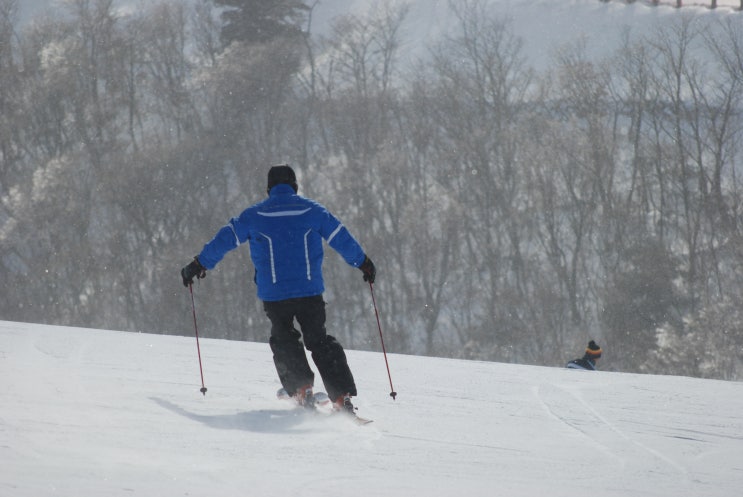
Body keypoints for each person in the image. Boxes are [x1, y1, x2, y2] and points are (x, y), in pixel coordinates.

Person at [181, 164, 376, 415]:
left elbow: (224, 240)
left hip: (275, 294)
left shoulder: (255, 215)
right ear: (294, 186)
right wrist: (363, 263)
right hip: (309, 291)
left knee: (284, 338)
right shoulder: (312, 210)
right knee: (319, 341)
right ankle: (341, 396)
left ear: (269, 188)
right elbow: (340, 237)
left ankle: (301, 389)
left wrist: (198, 265)